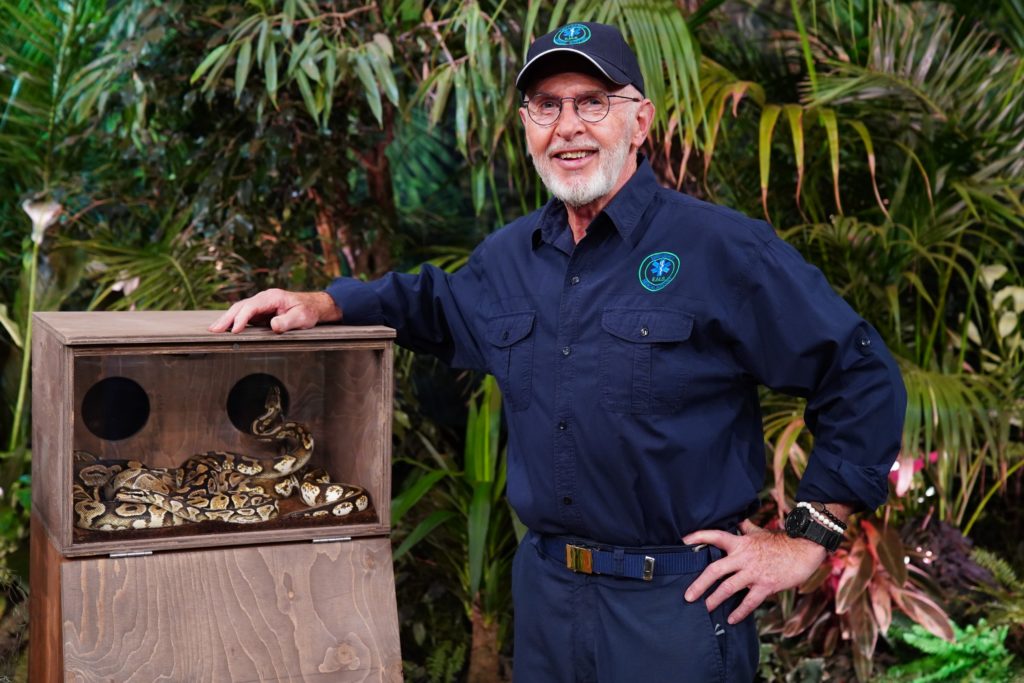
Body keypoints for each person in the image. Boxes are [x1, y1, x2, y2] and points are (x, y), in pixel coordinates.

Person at [210, 21, 906, 682]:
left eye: (591, 103)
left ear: (640, 121)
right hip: (546, 599)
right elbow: (432, 304)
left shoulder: (721, 250)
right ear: (526, 129)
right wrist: (331, 303)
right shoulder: (511, 258)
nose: (567, 126)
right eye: (546, 106)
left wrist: (808, 535)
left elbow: (860, 372)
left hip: (675, 604)